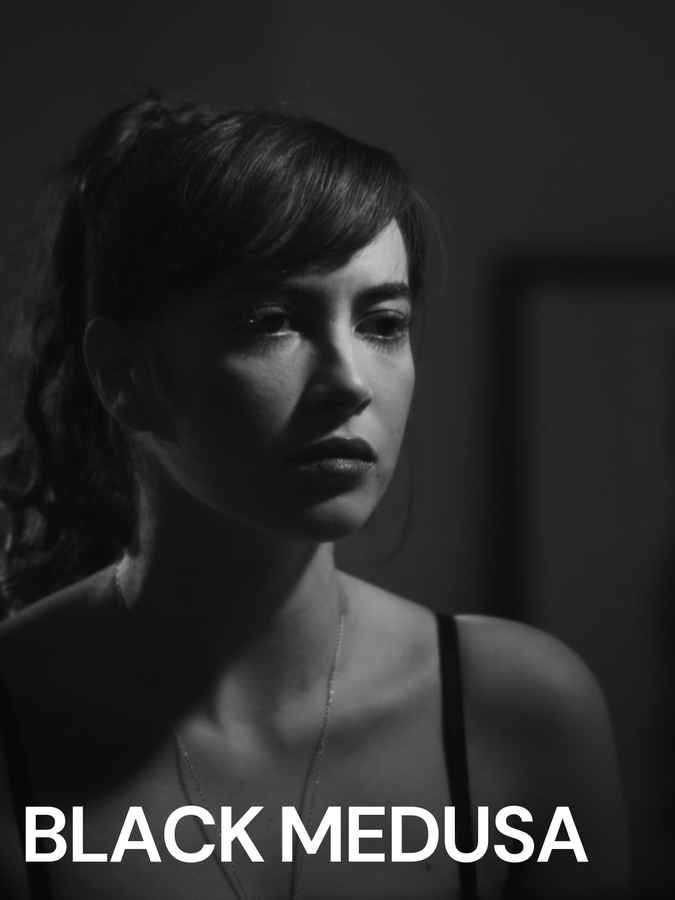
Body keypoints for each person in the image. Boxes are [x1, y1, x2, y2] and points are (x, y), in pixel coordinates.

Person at [0, 94, 628, 900]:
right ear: (124, 375)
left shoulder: (517, 711)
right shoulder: (18, 713)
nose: (348, 382)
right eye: (272, 320)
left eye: (382, 323)